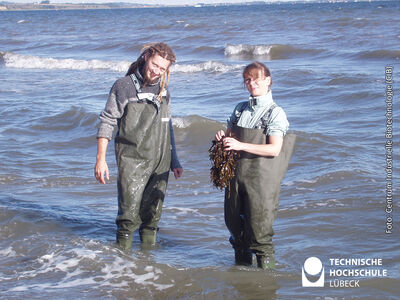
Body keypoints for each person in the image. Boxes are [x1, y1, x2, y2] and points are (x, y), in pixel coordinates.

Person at [95, 42, 183, 251]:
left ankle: (146, 267)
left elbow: (167, 126)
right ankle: (123, 268)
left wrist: (174, 160)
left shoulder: (164, 90)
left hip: (160, 162)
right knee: (127, 218)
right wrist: (101, 159)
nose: (157, 71)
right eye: (154, 65)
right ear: (145, 58)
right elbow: (108, 121)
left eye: (162, 69)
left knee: (152, 218)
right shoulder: (123, 86)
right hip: (132, 161)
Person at [215, 62, 295, 269]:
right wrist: (223, 138)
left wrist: (240, 144)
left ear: (268, 80)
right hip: (235, 178)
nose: (252, 83)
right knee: (236, 232)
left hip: (262, 181)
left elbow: (274, 149)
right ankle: (243, 283)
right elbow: (230, 138)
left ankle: (265, 285)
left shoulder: (275, 113)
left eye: (256, 78)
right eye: (248, 80)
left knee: (260, 237)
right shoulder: (240, 109)